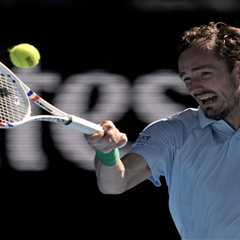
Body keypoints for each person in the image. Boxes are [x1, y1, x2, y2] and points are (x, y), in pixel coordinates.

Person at [86, 22, 240, 239]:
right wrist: (106, 153)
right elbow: (116, 183)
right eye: (186, 78)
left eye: (204, 74)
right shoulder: (174, 132)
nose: (194, 87)